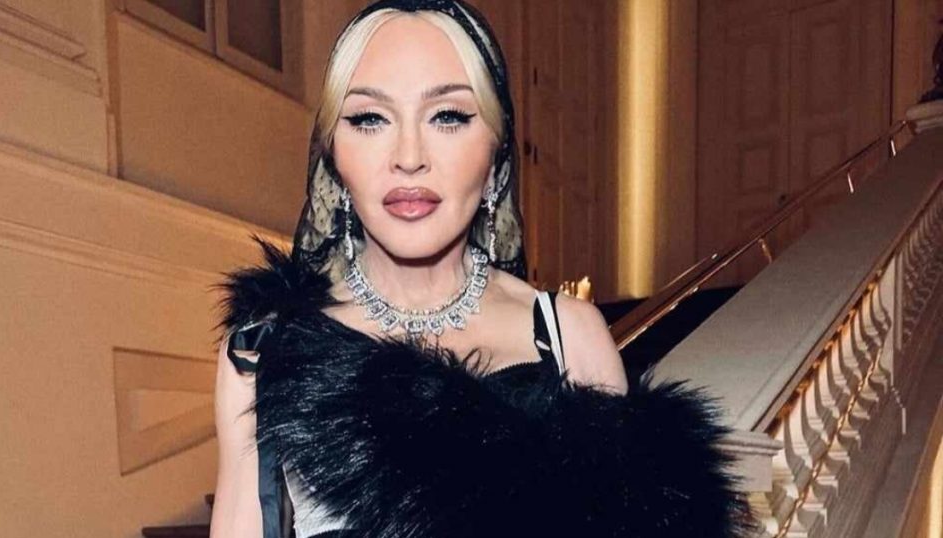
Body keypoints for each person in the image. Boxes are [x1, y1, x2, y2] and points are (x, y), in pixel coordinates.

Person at [211, 1, 755, 537]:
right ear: (334, 155)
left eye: (448, 116)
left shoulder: (570, 336)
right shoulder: (265, 347)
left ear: (496, 155)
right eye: (369, 118)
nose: (409, 156)